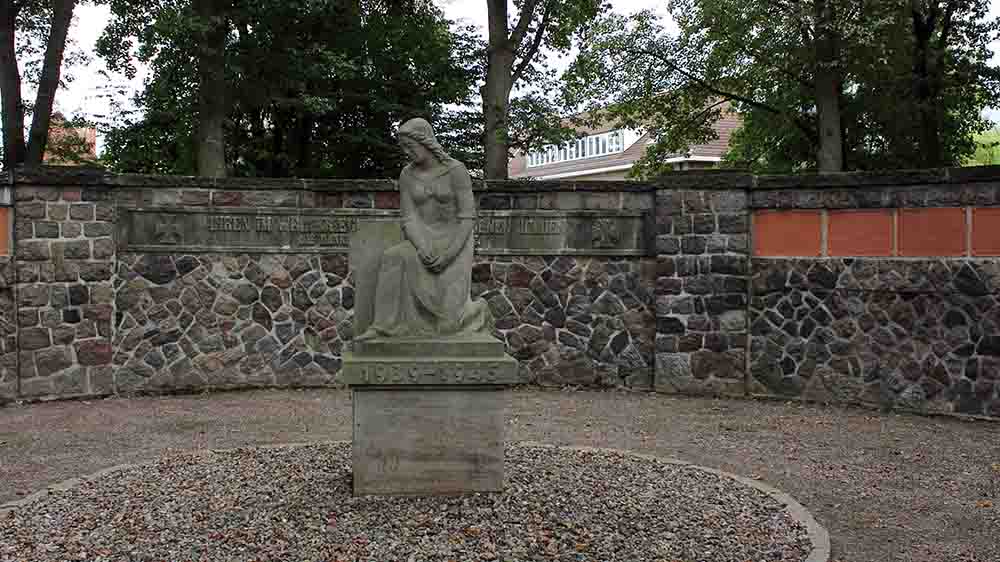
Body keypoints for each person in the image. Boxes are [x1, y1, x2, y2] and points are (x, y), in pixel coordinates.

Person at [354, 118, 492, 340]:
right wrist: (421, 246)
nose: (407, 152)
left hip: (455, 242)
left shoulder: (456, 170)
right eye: (404, 148)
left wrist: (448, 255)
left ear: (426, 141)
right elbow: (408, 218)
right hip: (423, 240)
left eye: (410, 146)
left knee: (448, 326)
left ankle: (477, 311)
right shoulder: (407, 175)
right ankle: (383, 326)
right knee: (394, 256)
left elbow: (467, 217)